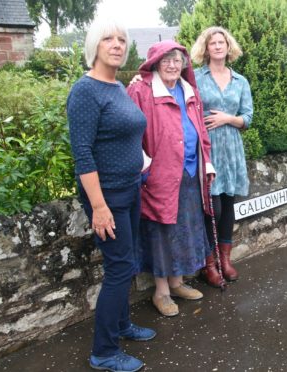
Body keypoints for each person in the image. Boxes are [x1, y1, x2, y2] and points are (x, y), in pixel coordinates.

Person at [67, 18, 155, 372]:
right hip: (108, 197)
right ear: (94, 46)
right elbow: (83, 155)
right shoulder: (85, 91)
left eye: (122, 39)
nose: (117, 44)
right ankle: (104, 351)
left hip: (130, 187)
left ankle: (121, 325)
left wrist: (141, 161)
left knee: (128, 259)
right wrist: (99, 207)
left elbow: (126, 133)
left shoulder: (117, 86)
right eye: (108, 39)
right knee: (119, 268)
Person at [127, 40, 215, 317]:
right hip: (159, 176)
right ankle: (161, 291)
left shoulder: (188, 91)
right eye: (166, 60)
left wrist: (207, 161)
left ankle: (177, 283)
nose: (172, 65)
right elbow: (130, 133)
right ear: (154, 63)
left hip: (189, 172)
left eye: (177, 60)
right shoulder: (140, 90)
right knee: (161, 232)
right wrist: (146, 167)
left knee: (184, 228)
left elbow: (200, 131)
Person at [191, 27, 253, 285]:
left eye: (221, 42)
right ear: (205, 49)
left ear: (229, 47)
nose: (217, 46)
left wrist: (229, 118)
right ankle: (209, 264)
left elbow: (248, 117)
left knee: (228, 206)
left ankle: (225, 260)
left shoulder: (240, 81)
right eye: (212, 43)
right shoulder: (195, 78)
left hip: (232, 150)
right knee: (211, 208)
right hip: (208, 149)